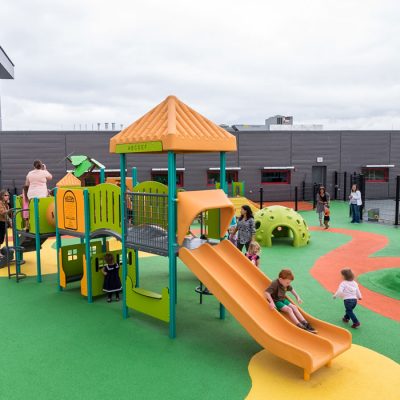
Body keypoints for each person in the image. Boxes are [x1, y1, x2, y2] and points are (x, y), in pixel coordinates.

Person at [265, 269, 317, 333]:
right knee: (289, 309)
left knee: (294, 307)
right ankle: (299, 325)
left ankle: (305, 323)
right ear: (281, 279)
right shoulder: (275, 283)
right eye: (287, 282)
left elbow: (291, 289)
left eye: (289, 283)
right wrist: (271, 302)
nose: (288, 284)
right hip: (276, 301)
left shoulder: (285, 283)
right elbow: (267, 292)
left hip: (283, 299)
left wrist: (297, 296)